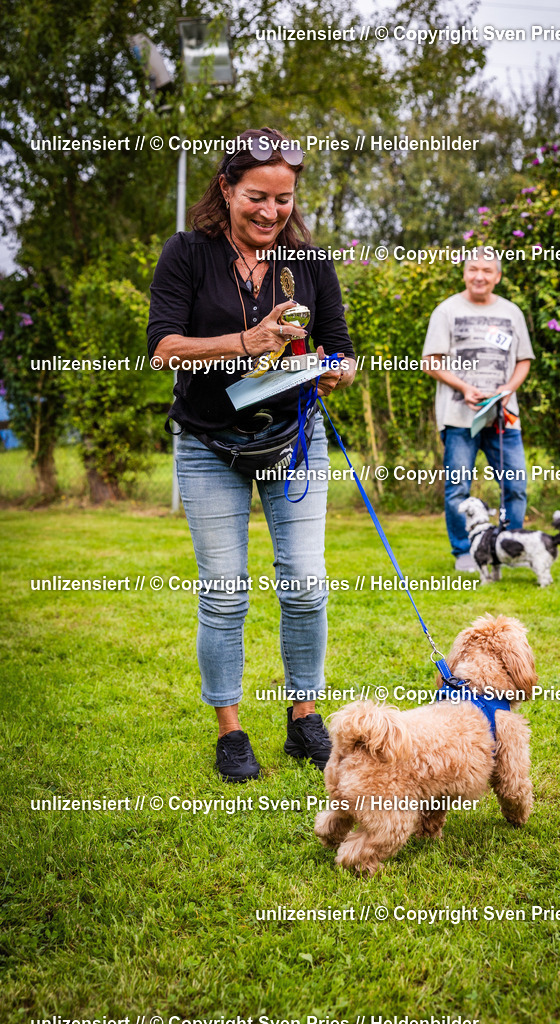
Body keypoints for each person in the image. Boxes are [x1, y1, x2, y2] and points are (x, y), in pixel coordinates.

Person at [147, 127, 356, 782]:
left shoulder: (309, 261)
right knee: (225, 594)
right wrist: (248, 340)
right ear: (226, 190)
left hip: (293, 441)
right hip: (210, 444)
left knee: (305, 584)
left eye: (284, 199)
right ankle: (231, 731)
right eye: (256, 198)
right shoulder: (187, 254)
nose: (270, 212)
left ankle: (303, 720)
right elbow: (164, 347)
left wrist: (335, 371)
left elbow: (341, 347)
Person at [421, 248, 534, 571]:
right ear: (464, 273)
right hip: (458, 418)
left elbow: (524, 360)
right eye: (473, 269)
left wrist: (508, 388)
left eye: (487, 270)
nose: (479, 276)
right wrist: (464, 388)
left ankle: (510, 547)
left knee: (515, 484)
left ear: (497, 276)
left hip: (504, 417)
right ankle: (464, 553)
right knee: (458, 487)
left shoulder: (512, 312)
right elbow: (430, 362)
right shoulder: (446, 311)